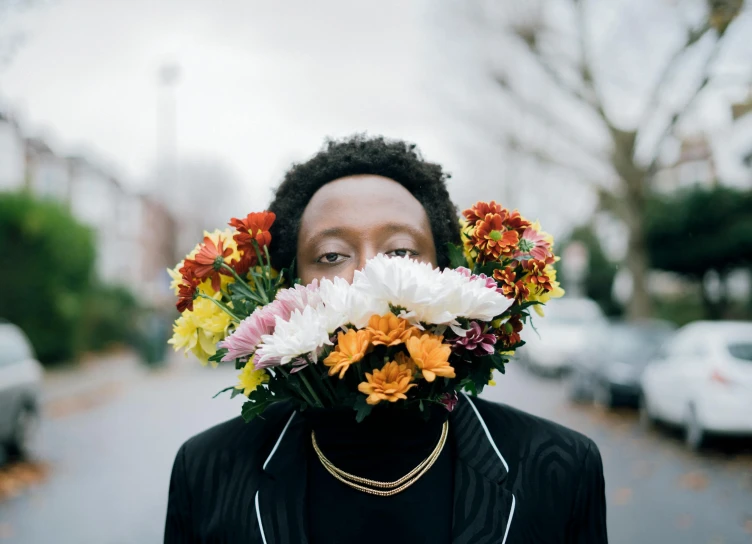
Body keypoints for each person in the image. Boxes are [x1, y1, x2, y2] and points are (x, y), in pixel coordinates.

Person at [164, 135, 608, 544]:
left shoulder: (562, 467)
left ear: (444, 273)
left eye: (399, 251)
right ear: (288, 289)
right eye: (332, 255)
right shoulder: (206, 470)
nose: (369, 277)